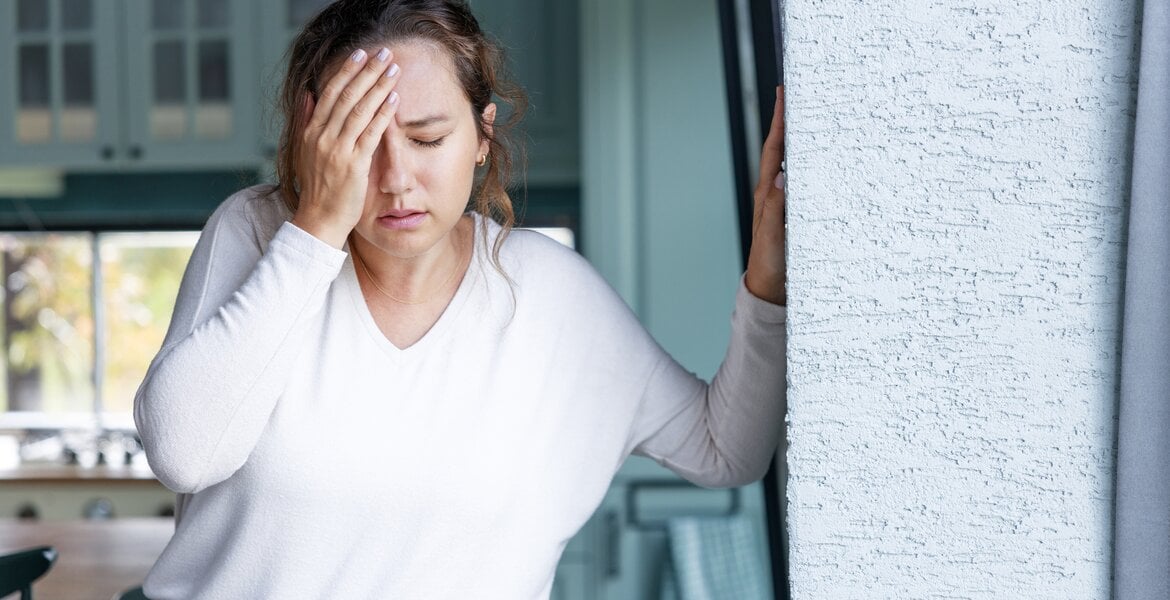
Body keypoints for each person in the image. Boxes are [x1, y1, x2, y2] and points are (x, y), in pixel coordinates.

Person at [133, 0, 788, 597]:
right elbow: (182, 453)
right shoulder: (259, 233)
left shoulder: (551, 295)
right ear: (315, 138)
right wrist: (317, 229)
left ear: (482, 136)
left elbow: (726, 448)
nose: (395, 180)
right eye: (361, 144)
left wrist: (769, 286)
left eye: (426, 140)